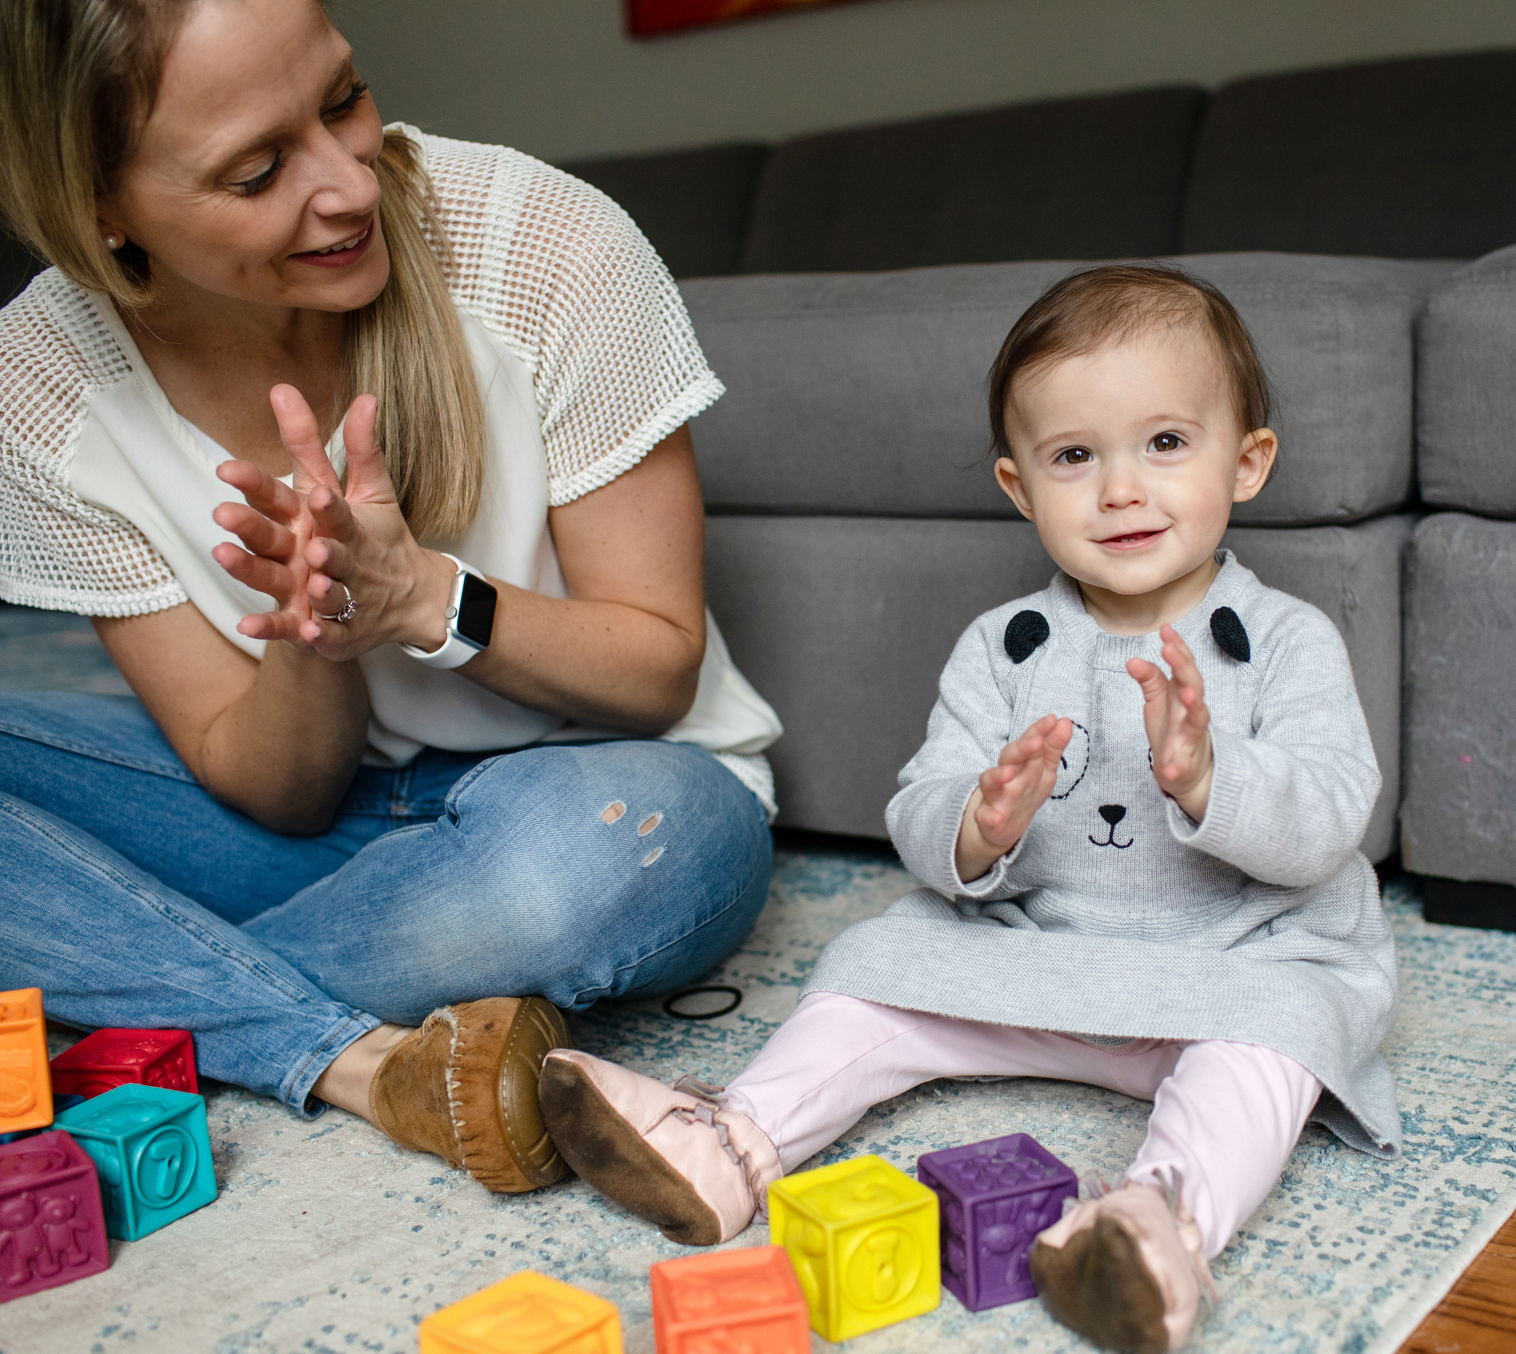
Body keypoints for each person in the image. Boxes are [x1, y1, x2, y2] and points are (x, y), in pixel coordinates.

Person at [0, 0, 781, 1195]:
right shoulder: (32, 384)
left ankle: (102, 994)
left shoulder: (537, 241)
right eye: (255, 171)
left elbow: (655, 671)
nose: (346, 186)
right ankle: (346, 1058)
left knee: (592, 864)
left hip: (601, 790)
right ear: (100, 211)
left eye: (344, 100)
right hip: (321, 837)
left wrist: (425, 600)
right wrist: (314, 639)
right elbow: (275, 795)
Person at [538, 265, 1401, 1351]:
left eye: (1165, 444)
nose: (1121, 489)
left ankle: (1154, 1224)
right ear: (1017, 486)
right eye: (1074, 457)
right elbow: (920, 809)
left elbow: (1330, 816)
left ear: (1249, 461)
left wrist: (1207, 775)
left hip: (1234, 963)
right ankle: (734, 1142)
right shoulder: (1003, 646)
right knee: (870, 973)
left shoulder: (1285, 641)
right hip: (1034, 960)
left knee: (1277, 1046)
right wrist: (977, 824)